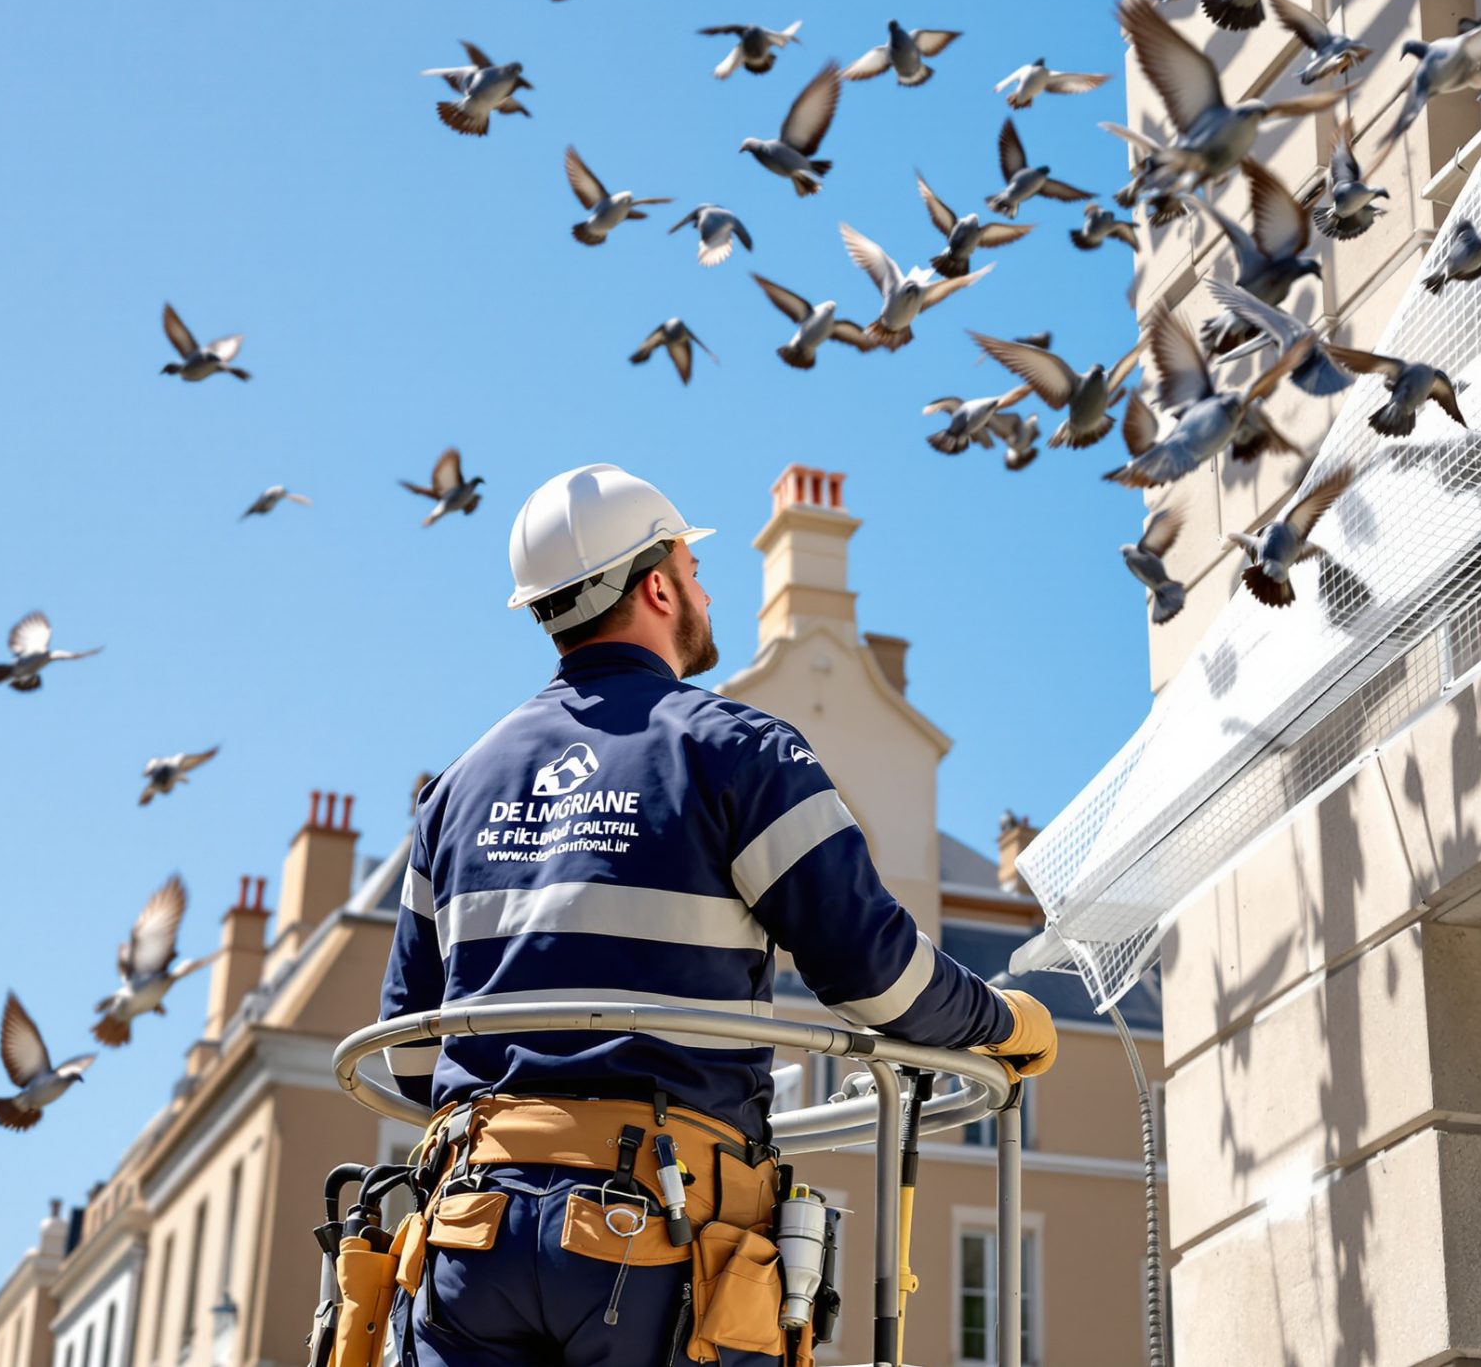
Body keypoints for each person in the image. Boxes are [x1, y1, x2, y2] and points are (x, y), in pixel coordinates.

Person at [377, 463, 1056, 1367]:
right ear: (658, 587)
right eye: (693, 570)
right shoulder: (740, 751)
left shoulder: (456, 789)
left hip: (471, 1229)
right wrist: (1002, 1020)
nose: (705, 591)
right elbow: (878, 974)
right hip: (659, 1234)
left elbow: (410, 1055)